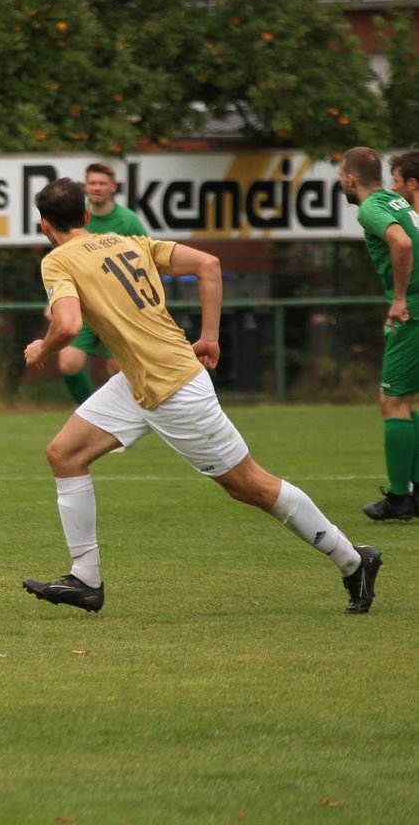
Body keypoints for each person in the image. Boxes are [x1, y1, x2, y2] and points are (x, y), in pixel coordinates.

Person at [21, 177, 379, 614]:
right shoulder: (128, 241)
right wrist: (209, 337)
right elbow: (208, 264)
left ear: (44, 224)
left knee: (249, 485)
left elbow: (68, 325)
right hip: (139, 379)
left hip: (173, 387)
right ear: (84, 215)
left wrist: (41, 349)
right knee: (64, 454)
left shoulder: (57, 260)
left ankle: (352, 559)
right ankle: (85, 579)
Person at [338, 146, 419, 522]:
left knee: (393, 402)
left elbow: (402, 243)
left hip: (413, 311)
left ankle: (400, 499)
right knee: (408, 400)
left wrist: (399, 299)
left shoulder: (371, 207)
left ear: (350, 178)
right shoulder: (395, 201)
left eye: (341, 176)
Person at [56, 162, 147, 406]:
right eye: (92, 183)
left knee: (117, 369)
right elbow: (63, 263)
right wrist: (54, 301)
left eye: (102, 183)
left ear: (113, 187)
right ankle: (92, 413)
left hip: (118, 307)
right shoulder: (76, 220)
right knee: (69, 363)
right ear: (85, 186)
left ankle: (123, 418)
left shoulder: (128, 221)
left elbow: (146, 260)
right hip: (84, 306)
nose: (97, 188)